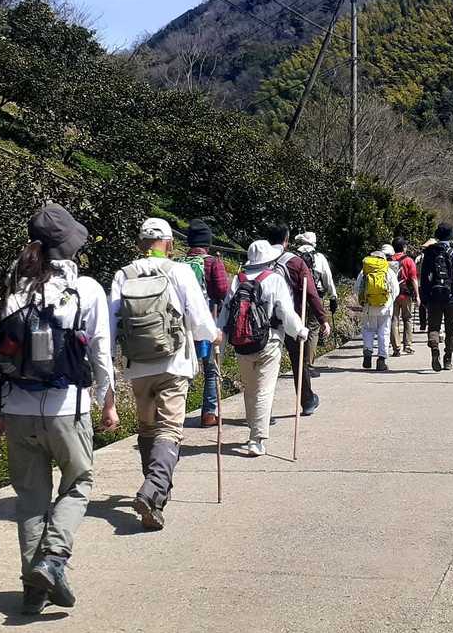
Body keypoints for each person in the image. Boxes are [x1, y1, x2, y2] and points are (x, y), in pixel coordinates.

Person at [0, 204, 113, 614]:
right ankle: (54, 559)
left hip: (18, 408)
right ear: (70, 246)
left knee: (30, 499)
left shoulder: (15, 292)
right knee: (78, 482)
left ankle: (34, 589)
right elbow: (101, 352)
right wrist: (107, 400)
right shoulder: (86, 289)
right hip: (66, 408)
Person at [111, 217, 218, 530]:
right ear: (170, 244)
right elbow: (199, 319)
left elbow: (112, 323)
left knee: (147, 428)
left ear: (139, 243)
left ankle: (154, 497)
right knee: (169, 428)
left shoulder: (123, 274)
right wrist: (214, 335)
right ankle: (153, 490)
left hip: (137, 365)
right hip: (173, 363)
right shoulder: (178, 271)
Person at [215, 239, 309, 456]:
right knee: (264, 390)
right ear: (269, 259)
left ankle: (253, 428)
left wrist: (220, 340)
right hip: (270, 342)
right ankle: (256, 439)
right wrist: (299, 331)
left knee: (250, 389)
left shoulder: (237, 280)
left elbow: (226, 313)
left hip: (242, 344)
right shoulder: (274, 279)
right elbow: (285, 312)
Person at [265, 224, 329, 415]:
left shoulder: (258, 260)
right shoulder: (295, 262)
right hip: (291, 318)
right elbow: (311, 293)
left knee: (265, 365)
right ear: (286, 240)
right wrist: (322, 318)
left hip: (264, 320)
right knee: (298, 360)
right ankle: (307, 401)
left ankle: (262, 409)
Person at [182, 219, 231, 429]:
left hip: (181, 324)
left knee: (183, 370)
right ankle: (209, 414)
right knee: (211, 369)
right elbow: (223, 291)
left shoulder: (178, 262)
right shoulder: (212, 262)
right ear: (207, 243)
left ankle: (175, 413)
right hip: (209, 320)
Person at [420, 224, 453, 372]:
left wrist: (424, 298)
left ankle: (434, 348)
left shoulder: (429, 252)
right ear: (451, 236)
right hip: (451, 297)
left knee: (434, 327)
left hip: (433, 296)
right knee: (450, 329)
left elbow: (424, 277)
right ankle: (448, 359)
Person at [293, 231, 337, 371]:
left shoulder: (293, 257)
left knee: (297, 327)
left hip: (297, 297)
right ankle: (308, 364)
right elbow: (327, 279)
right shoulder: (319, 257)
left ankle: (297, 362)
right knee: (313, 329)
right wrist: (333, 297)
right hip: (316, 296)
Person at [357, 244, 400, 370]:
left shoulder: (364, 271)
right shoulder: (388, 270)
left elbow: (357, 288)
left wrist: (364, 300)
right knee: (384, 332)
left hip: (368, 306)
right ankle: (381, 359)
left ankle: (367, 352)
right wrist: (389, 300)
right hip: (385, 307)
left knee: (368, 329)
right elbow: (396, 290)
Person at [390, 237, 421, 356]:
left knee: (394, 319)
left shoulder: (389, 260)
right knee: (407, 319)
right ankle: (407, 345)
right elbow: (413, 279)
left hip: (392, 295)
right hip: (405, 294)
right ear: (404, 247)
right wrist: (417, 295)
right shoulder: (408, 260)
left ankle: (396, 347)